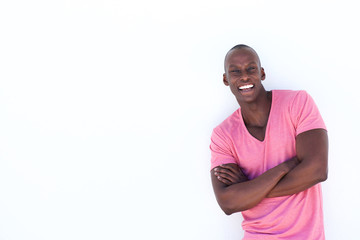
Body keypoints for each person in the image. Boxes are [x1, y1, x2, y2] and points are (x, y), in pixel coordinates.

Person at [210, 44, 328, 239]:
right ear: (226, 79)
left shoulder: (298, 103)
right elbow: (228, 203)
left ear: (262, 73)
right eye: (235, 71)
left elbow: (317, 170)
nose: (244, 76)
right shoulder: (222, 135)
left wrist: (250, 188)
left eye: (251, 68)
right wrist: (287, 166)